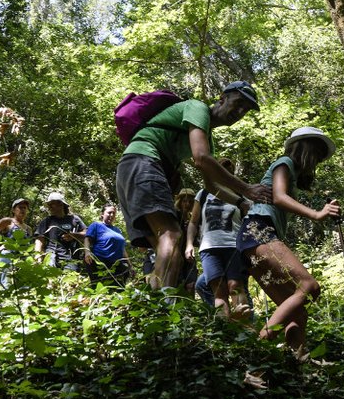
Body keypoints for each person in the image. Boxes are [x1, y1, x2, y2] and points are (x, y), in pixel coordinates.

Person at [115, 81, 272, 291]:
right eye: (239, 103)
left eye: (246, 109)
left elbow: (210, 185)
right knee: (171, 235)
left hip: (132, 169)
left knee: (171, 252)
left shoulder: (206, 136)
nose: (240, 111)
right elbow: (201, 158)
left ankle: (152, 308)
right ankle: (165, 308)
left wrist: (241, 202)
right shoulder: (197, 108)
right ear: (222, 98)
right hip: (143, 162)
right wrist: (246, 188)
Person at [236, 127, 341, 354]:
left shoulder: (290, 172)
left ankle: (297, 365)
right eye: (318, 154)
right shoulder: (284, 163)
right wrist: (316, 214)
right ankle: (259, 347)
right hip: (258, 230)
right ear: (306, 148)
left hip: (254, 238)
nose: (317, 162)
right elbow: (279, 197)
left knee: (298, 312)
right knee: (309, 286)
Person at [186, 159, 251, 320]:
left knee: (236, 286)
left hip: (234, 245)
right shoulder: (204, 194)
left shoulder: (240, 197)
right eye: (222, 169)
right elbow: (193, 222)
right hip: (209, 247)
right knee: (218, 291)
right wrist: (188, 244)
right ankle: (225, 332)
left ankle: (245, 330)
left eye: (228, 170)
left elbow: (248, 223)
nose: (225, 173)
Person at [0, 197, 33, 287]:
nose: (23, 210)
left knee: (24, 284)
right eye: (20, 207)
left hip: (22, 259)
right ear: (13, 210)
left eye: (25, 208)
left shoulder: (28, 228)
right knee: (7, 283)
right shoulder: (8, 222)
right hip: (8, 256)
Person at [34, 192, 87, 271]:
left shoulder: (74, 219)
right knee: (51, 281)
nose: (49, 207)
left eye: (52, 204)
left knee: (70, 282)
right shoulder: (47, 221)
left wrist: (74, 235)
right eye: (49, 205)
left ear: (61, 204)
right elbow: (39, 240)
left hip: (71, 258)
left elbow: (87, 234)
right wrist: (37, 257)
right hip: (51, 257)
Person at [83, 204, 130, 287]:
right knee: (100, 287)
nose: (111, 215)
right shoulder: (96, 225)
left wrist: (130, 264)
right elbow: (87, 239)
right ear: (102, 214)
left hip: (117, 265)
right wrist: (87, 253)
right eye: (109, 213)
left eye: (114, 213)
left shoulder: (117, 230)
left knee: (118, 288)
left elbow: (122, 249)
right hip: (100, 263)